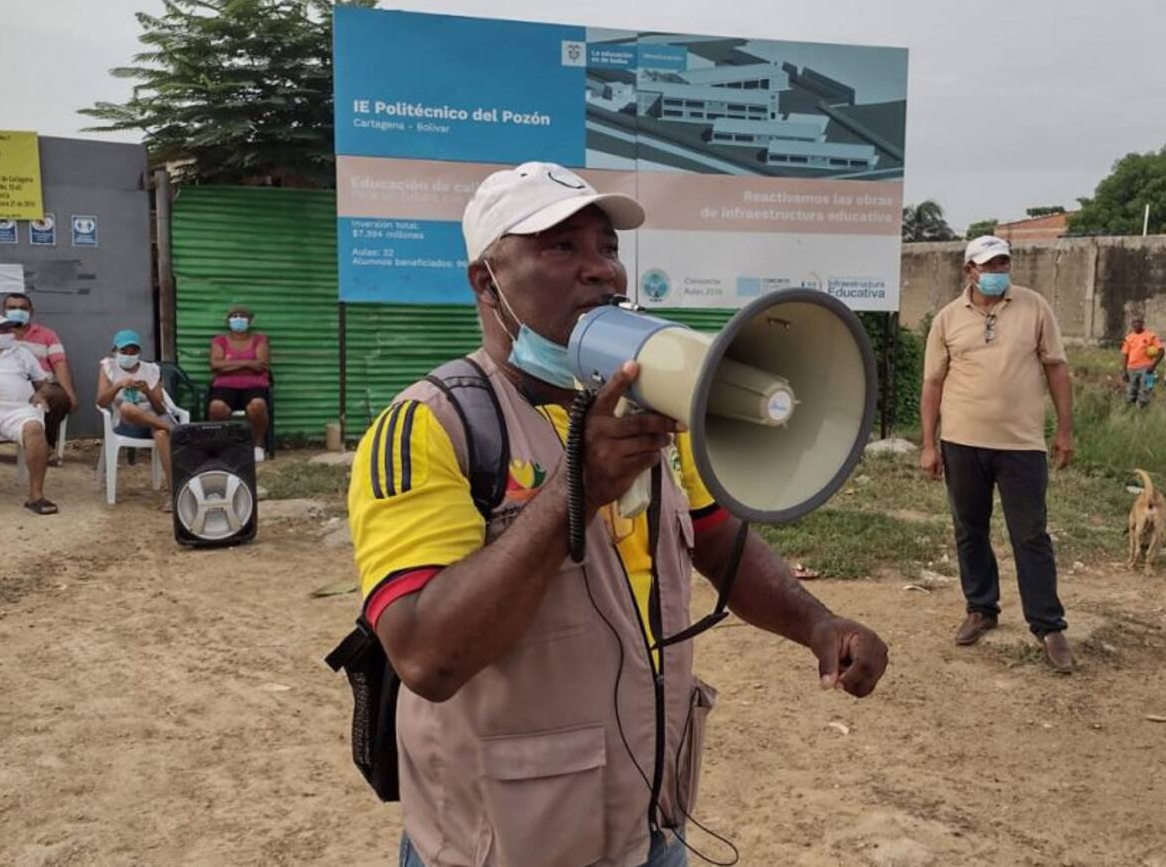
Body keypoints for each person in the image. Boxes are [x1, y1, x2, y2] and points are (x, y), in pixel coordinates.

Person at [347, 162, 890, 867]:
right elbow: (426, 656)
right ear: (487, 282)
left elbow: (715, 539)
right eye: (561, 246)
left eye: (608, 247)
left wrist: (816, 623)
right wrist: (575, 491)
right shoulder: (433, 425)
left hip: (649, 825)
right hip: (503, 845)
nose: (601, 269)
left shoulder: (651, 411)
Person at [920, 234, 1075, 673]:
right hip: (962, 442)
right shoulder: (948, 319)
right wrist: (929, 444)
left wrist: (1065, 430)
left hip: (1021, 444)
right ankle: (981, 608)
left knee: (1031, 534)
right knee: (970, 529)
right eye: (988, 265)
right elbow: (933, 383)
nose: (997, 272)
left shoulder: (1033, 307)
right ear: (968, 271)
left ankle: (1048, 626)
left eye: (1003, 263)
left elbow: (1056, 368)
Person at [0, 312, 59, 518]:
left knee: (34, 429)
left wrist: (40, 394)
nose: (10, 333)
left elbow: (45, 385)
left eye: (10, 329)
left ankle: (36, 497)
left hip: (17, 408)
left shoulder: (21, 353)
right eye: (3, 331)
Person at [96, 329, 175, 510]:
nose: (128, 355)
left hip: (154, 421)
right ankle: (174, 428)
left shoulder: (150, 370)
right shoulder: (109, 367)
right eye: (124, 351)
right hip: (129, 424)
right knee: (127, 408)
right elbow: (101, 401)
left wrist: (148, 392)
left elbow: (160, 408)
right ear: (114, 351)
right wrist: (118, 386)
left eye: (133, 351)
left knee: (162, 435)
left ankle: (174, 494)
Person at [2, 292, 78, 460]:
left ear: (31, 311)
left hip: (43, 386)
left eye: (23, 308)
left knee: (60, 398)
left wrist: (70, 393)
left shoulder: (47, 335)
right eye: (12, 308)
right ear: (4, 311)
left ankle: (45, 447)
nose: (17, 311)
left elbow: (59, 364)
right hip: (8, 386)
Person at [208, 304, 271, 463]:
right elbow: (215, 366)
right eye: (234, 316)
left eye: (242, 316)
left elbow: (261, 365)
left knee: (257, 405)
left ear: (249, 320)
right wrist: (248, 363)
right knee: (216, 407)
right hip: (224, 387)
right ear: (228, 321)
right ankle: (224, 445)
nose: (238, 319)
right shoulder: (220, 341)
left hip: (254, 386)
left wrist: (228, 364)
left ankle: (258, 444)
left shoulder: (259, 340)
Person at [1120, 315, 1163, 407]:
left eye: (1139, 322)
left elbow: (1161, 351)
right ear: (1132, 324)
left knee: (1148, 389)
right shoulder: (1129, 338)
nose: (1137, 324)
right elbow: (1125, 355)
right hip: (1131, 369)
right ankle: (1130, 411)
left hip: (1149, 369)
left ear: (1143, 323)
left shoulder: (1151, 336)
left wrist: (1153, 365)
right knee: (1130, 392)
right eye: (1134, 322)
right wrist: (1124, 371)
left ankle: (1144, 411)